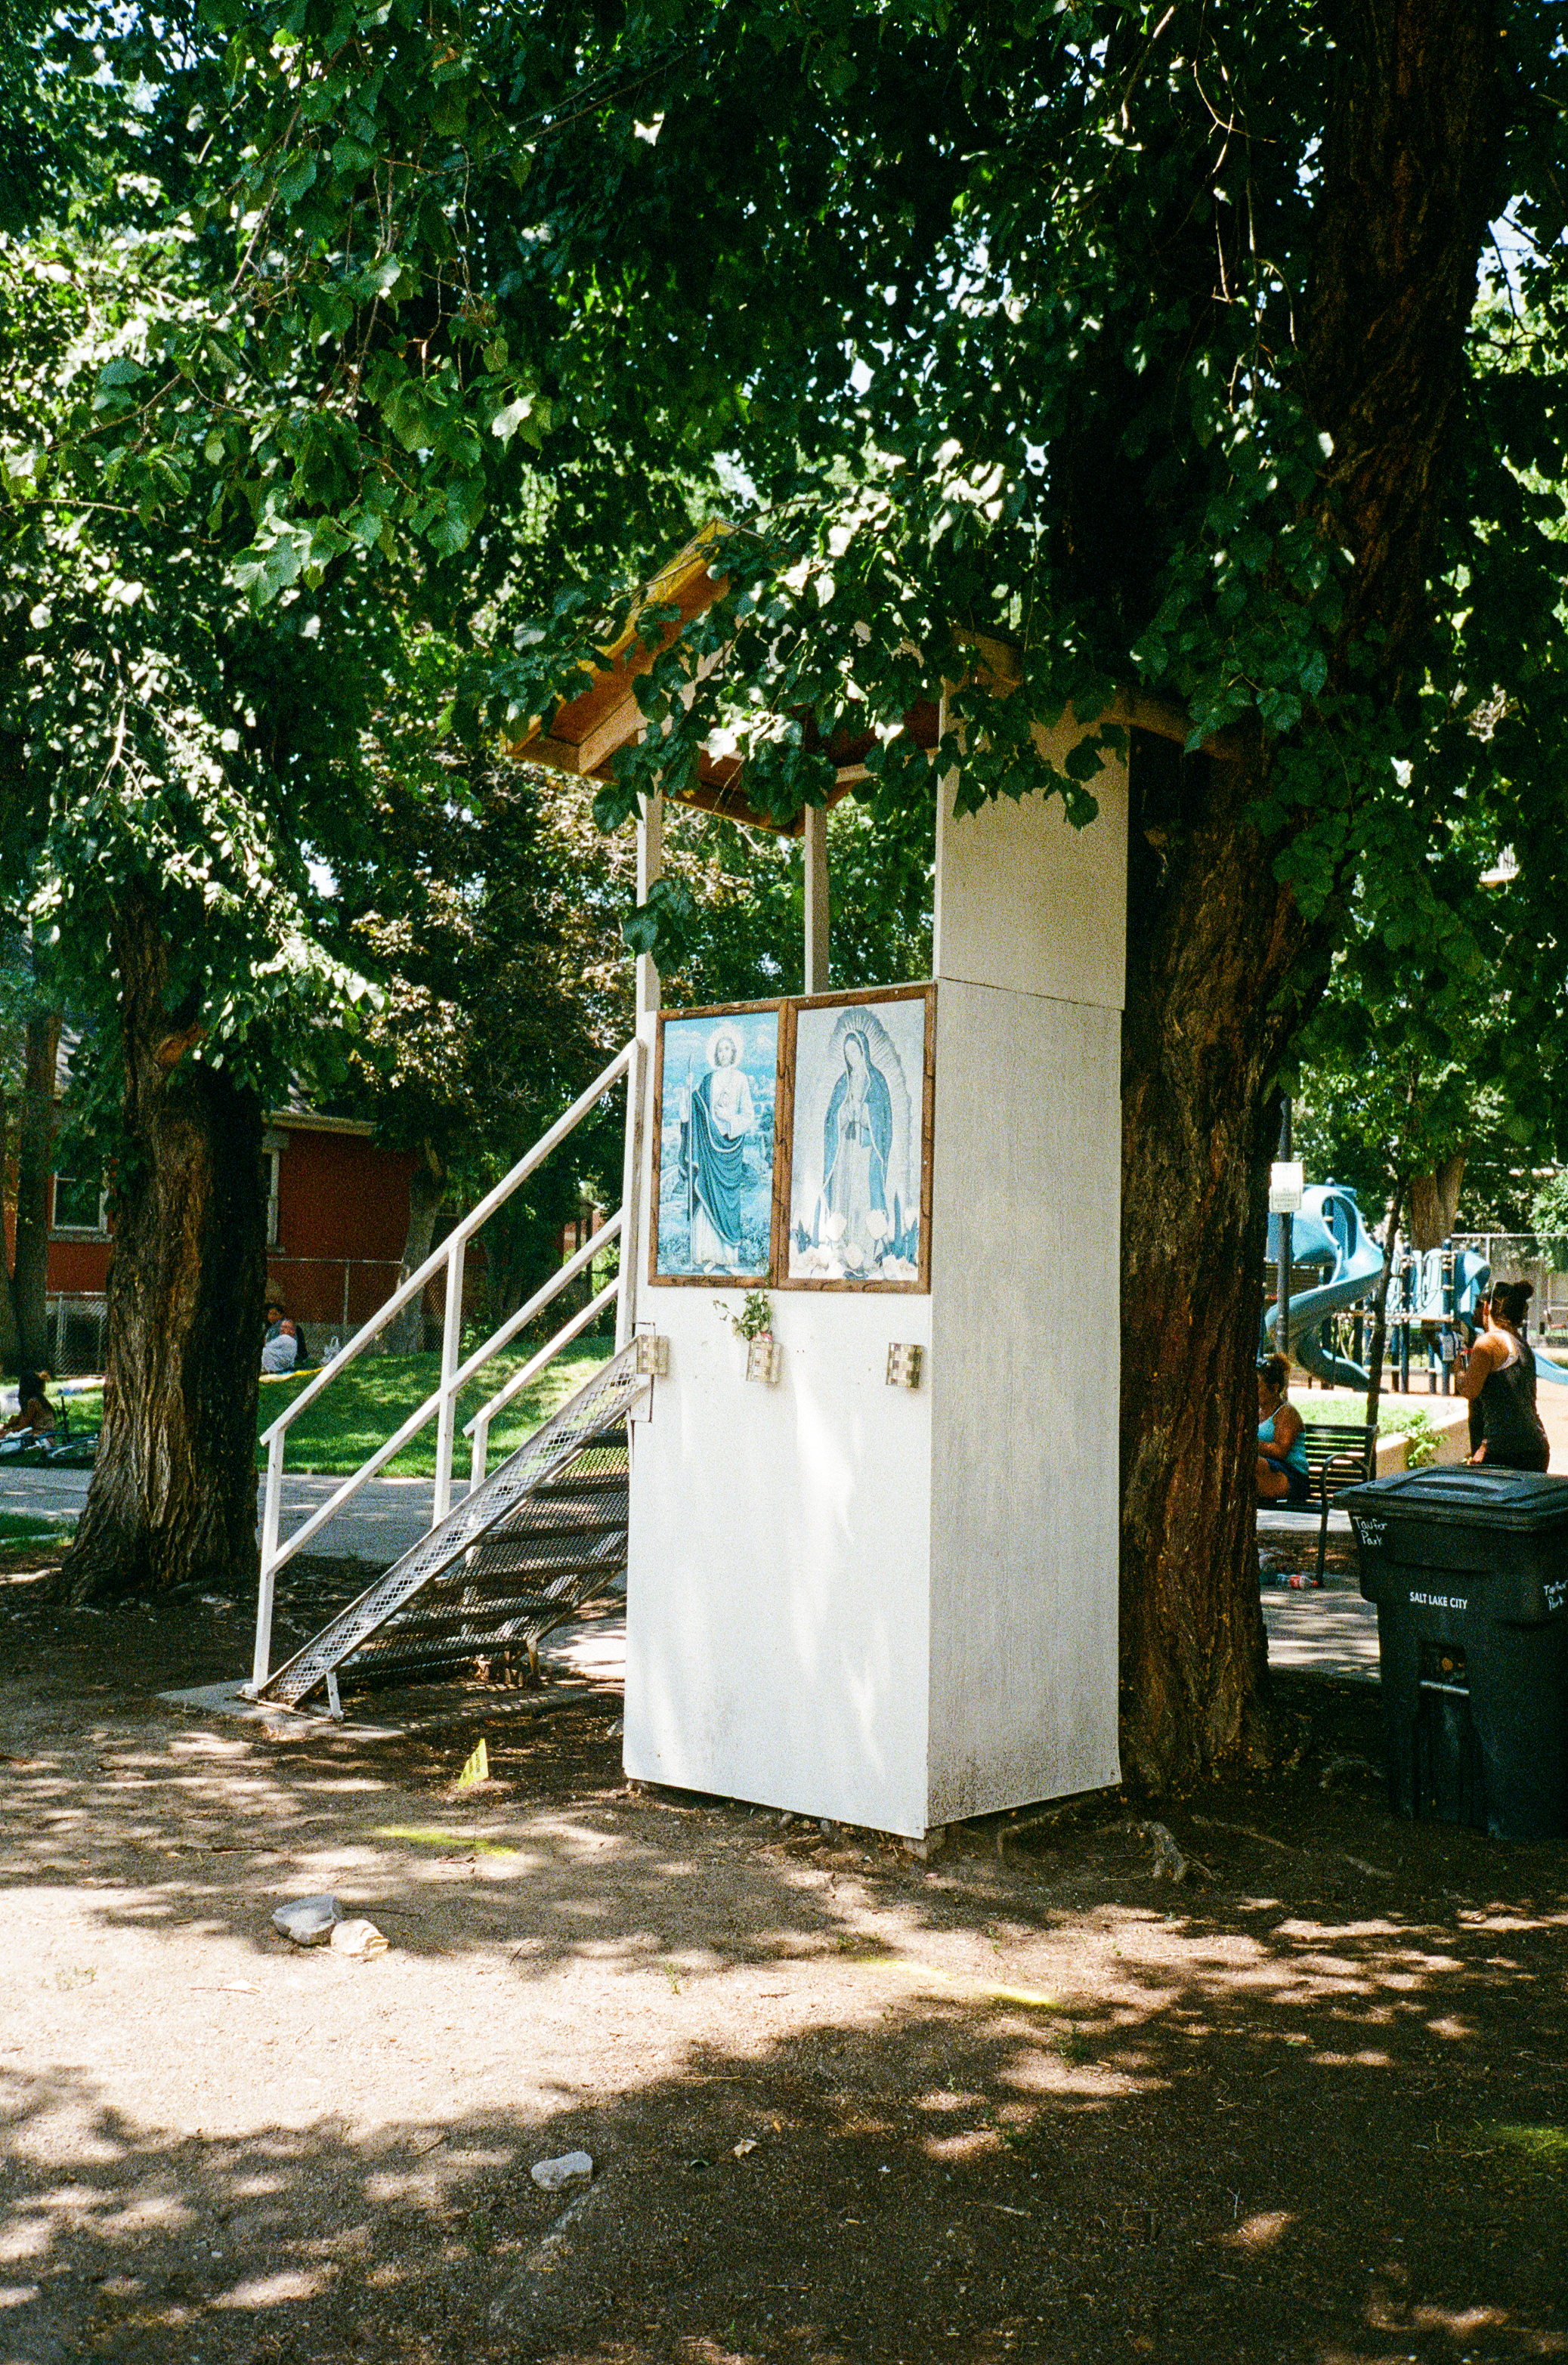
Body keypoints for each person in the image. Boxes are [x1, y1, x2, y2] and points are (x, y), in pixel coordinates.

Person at [821, 1028, 895, 1273]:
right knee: (845, 1193)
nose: (851, 1056)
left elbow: (884, 1117)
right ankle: (842, 1249)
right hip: (846, 1152)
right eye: (847, 1052)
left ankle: (866, 1249)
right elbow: (831, 1118)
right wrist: (844, 1113)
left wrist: (864, 1113)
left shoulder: (877, 1080)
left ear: (863, 1050)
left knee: (864, 1195)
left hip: (866, 1151)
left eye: (854, 1050)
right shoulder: (843, 1082)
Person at [1458, 1279, 1549, 1471]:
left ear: (1487, 1307)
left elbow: (1469, 1390)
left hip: (1506, 1452)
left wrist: (1456, 1366)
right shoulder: (1520, 1343)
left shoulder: (1488, 1342)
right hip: (1536, 1447)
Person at [687, 1026, 756, 1272]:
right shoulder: (708, 1081)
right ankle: (709, 1252)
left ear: (734, 1051)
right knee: (707, 1191)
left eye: (727, 1048)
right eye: (720, 1049)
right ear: (715, 1053)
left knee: (729, 1199)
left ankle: (727, 1255)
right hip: (709, 1148)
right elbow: (697, 1107)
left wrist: (729, 1118)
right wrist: (689, 1092)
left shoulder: (740, 1080)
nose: (724, 1053)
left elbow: (749, 1116)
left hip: (729, 1147)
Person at [1256, 1353, 1310, 1503]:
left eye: (1258, 1386)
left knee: (1251, 1463)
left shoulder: (1286, 1413)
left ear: (1274, 1387)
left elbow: (1280, 1452)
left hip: (1293, 1477)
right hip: (1268, 1470)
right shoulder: (1254, 1411)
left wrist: (1250, 1444)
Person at [1, 1368, 56, 1439]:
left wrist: (7, 1432)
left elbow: (23, 1425)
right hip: (40, 1436)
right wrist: (4, 1427)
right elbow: (20, 1418)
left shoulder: (33, 1402)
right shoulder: (37, 1399)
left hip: (42, 1437)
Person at [261, 1301, 301, 1375]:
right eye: (282, 1327)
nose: (282, 1329)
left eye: (286, 1327)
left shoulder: (286, 1338)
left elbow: (266, 1346)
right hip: (283, 1362)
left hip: (280, 1364)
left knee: (264, 1352)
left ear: (293, 1331)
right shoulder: (270, 1328)